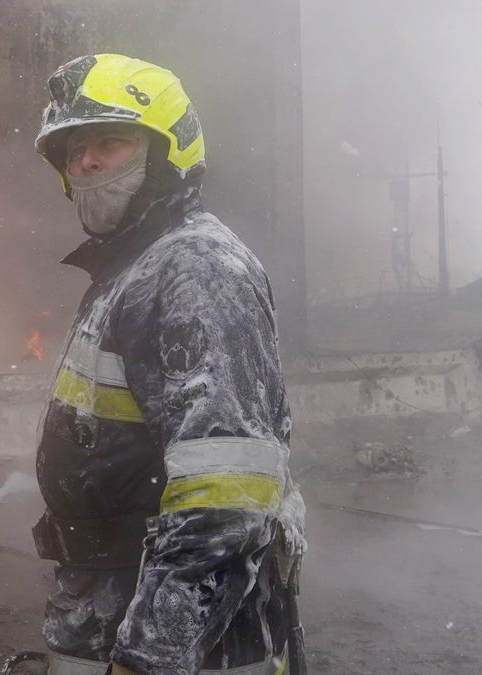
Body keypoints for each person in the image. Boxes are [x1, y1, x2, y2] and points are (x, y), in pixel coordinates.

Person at [29, 54, 306, 675]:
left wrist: (149, 656)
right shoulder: (137, 265)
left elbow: (226, 496)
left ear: (167, 152)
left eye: (111, 141)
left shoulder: (195, 269)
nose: (88, 162)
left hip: (180, 644)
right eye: (75, 149)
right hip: (109, 606)